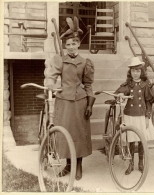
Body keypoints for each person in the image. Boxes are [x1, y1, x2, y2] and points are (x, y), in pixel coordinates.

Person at [46, 16, 95, 180]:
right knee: (64, 133)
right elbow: (51, 75)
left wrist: (90, 104)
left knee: (79, 135)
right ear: (65, 47)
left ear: (78, 44)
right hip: (64, 101)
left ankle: (78, 165)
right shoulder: (61, 60)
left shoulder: (85, 62)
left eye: (74, 44)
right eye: (68, 45)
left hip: (79, 102)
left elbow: (88, 85)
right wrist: (50, 84)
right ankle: (68, 165)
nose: (71, 47)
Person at [114, 56, 154, 175]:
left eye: (138, 71)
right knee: (131, 140)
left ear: (141, 71)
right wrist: (121, 95)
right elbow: (118, 92)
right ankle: (131, 164)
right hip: (130, 116)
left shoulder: (145, 84)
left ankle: (141, 163)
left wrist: (147, 117)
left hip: (141, 116)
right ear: (130, 72)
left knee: (141, 140)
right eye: (133, 71)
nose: (135, 73)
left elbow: (149, 102)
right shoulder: (128, 84)